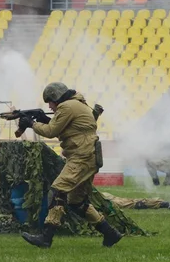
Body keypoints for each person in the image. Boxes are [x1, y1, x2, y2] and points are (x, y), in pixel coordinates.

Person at [17, 82, 123, 248]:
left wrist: (32, 124)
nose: (50, 106)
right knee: (77, 202)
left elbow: (51, 131)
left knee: (58, 191)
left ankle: (46, 237)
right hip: (88, 157)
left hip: (81, 157)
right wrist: (43, 120)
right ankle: (110, 233)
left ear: (56, 97)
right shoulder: (76, 104)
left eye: (50, 102)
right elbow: (65, 129)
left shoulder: (67, 106)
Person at [101, 192, 170, 210]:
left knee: (129, 202)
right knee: (130, 202)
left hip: (97, 197)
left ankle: (163, 203)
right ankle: (164, 204)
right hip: (98, 196)